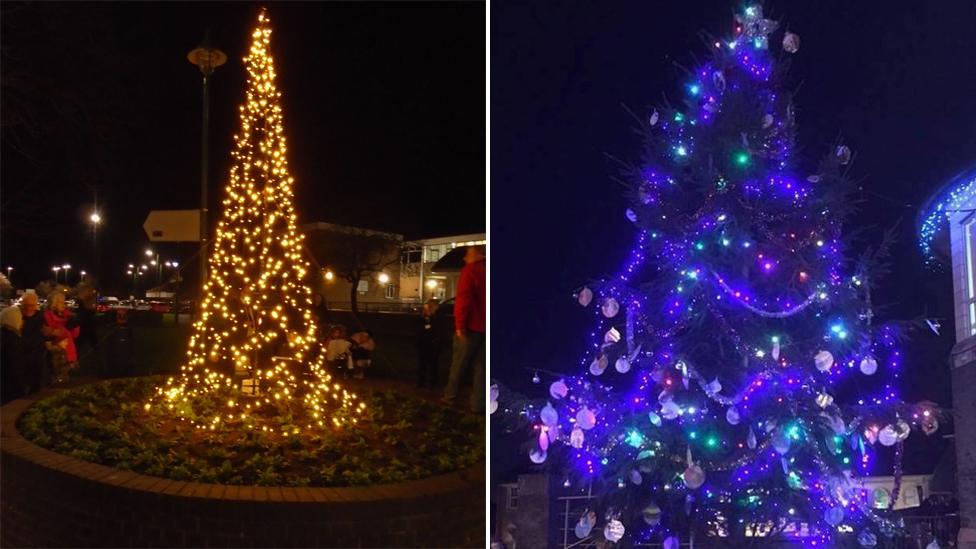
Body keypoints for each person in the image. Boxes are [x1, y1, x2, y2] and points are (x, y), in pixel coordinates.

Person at [442, 245, 486, 412]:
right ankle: (479, 404)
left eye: (467, 254)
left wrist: (460, 326)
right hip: (485, 328)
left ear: (477, 255)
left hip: (471, 327)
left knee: (459, 363)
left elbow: (463, 299)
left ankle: (450, 397)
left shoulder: (471, 271)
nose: (464, 258)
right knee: (482, 367)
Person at [43, 292, 80, 384]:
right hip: (58, 353)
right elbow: (52, 334)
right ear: (54, 303)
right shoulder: (47, 316)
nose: (64, 304)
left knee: (68, 382)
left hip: (69, 351)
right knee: (57, 381)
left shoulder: (67, 316)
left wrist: (75, 325)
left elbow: (74, 335)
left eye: (64, 302)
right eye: (61, 302)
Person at [19, 291, 47, 392]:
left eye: (31, 305)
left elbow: (44, 333)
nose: (28, 308)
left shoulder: (41, 317)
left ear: (36, 305)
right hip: (21, 353)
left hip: (36, 353)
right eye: (25, 305)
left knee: (36, 381)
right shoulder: (18, 315)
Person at [1, 305, 27, 404]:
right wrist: (21, 388)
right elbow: (15, 367)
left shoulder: (4, 335)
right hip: (9, 389)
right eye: (20, 318)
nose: (22, 322)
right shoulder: (13, 340)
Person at [416, 300, 442, 389]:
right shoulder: (423, 317)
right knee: (422, 364)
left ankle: (432, 384)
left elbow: (435, 329)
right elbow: (420, 328)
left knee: (433, 365)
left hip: (432, 344)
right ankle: (421, 383)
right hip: (424, 343)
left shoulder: (436, 317)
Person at [105, 309, 134, 378]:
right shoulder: (112, 328)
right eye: (119, 315)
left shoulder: (128, 328)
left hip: (125, 352)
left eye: (123, 315)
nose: (121, 316)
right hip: (115, 353)